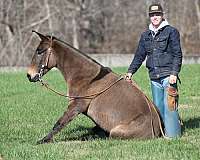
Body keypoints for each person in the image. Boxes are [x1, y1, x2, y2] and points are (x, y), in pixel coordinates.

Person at [125, 3, 182, 138]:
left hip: (169, 76)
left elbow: (177, 54)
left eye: (157, 14)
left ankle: (173, 135)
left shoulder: (171, 31)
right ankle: (160, 134)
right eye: (152, 15)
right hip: (154, 78)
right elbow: (139, 56)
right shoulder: (145, 35)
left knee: (170, 107)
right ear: (149, 17)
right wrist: (130, 71)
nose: (155, 17)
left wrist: (174, 73)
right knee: (158, 108)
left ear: (162, 15)